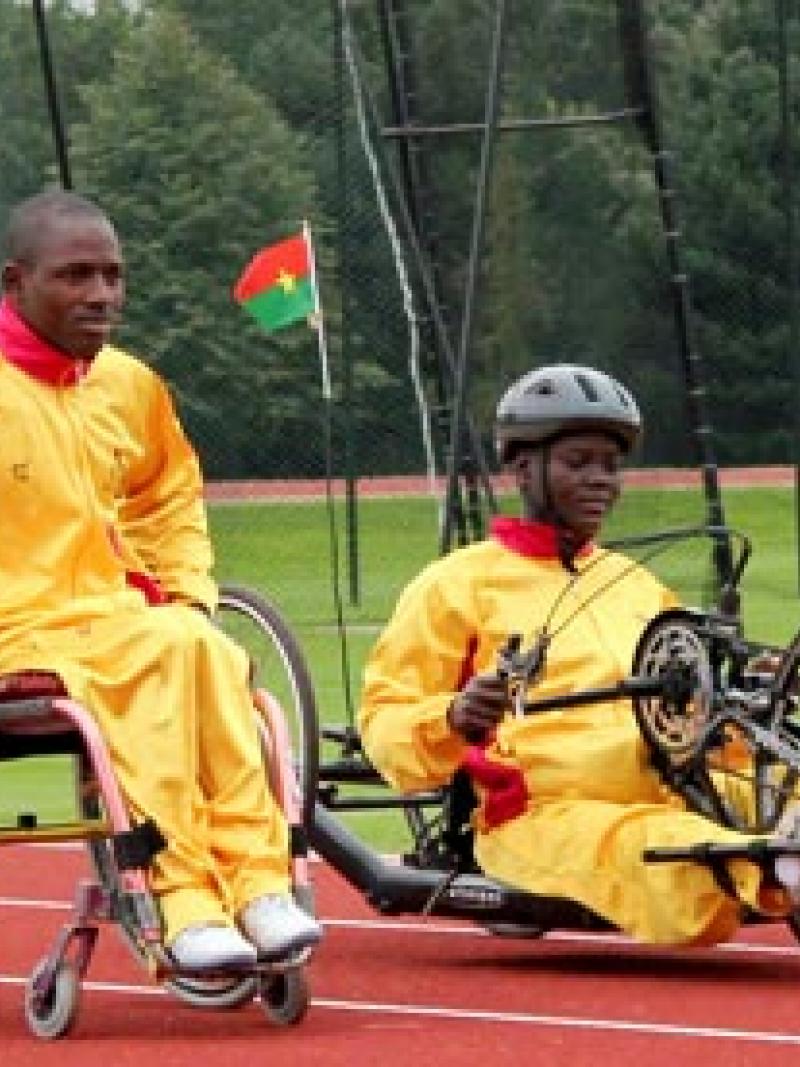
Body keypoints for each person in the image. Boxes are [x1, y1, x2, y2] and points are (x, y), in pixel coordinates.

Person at [359, 362, 800, 946]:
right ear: (523, 468)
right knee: (668, 849)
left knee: (777, 787)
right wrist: (453, 718)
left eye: (611, 466)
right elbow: (384, 720)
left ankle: (783, 853)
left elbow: (692, 712)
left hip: (677, 782)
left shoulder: (637, 586)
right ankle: (782, 863)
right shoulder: (455, 586)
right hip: (544, 814)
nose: (601, 480)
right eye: (579, 463)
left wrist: (750, 695)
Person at [0, 189, 322, 971]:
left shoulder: (128, 385)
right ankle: (181, 900)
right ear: (15, 283)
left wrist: (183, 590)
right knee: (152, 653)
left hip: (113, 618)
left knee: (204, 646)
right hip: (19, 627)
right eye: (76, 276)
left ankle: (259, 885)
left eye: (113, 275)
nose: (102, 295)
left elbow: (168, 495)